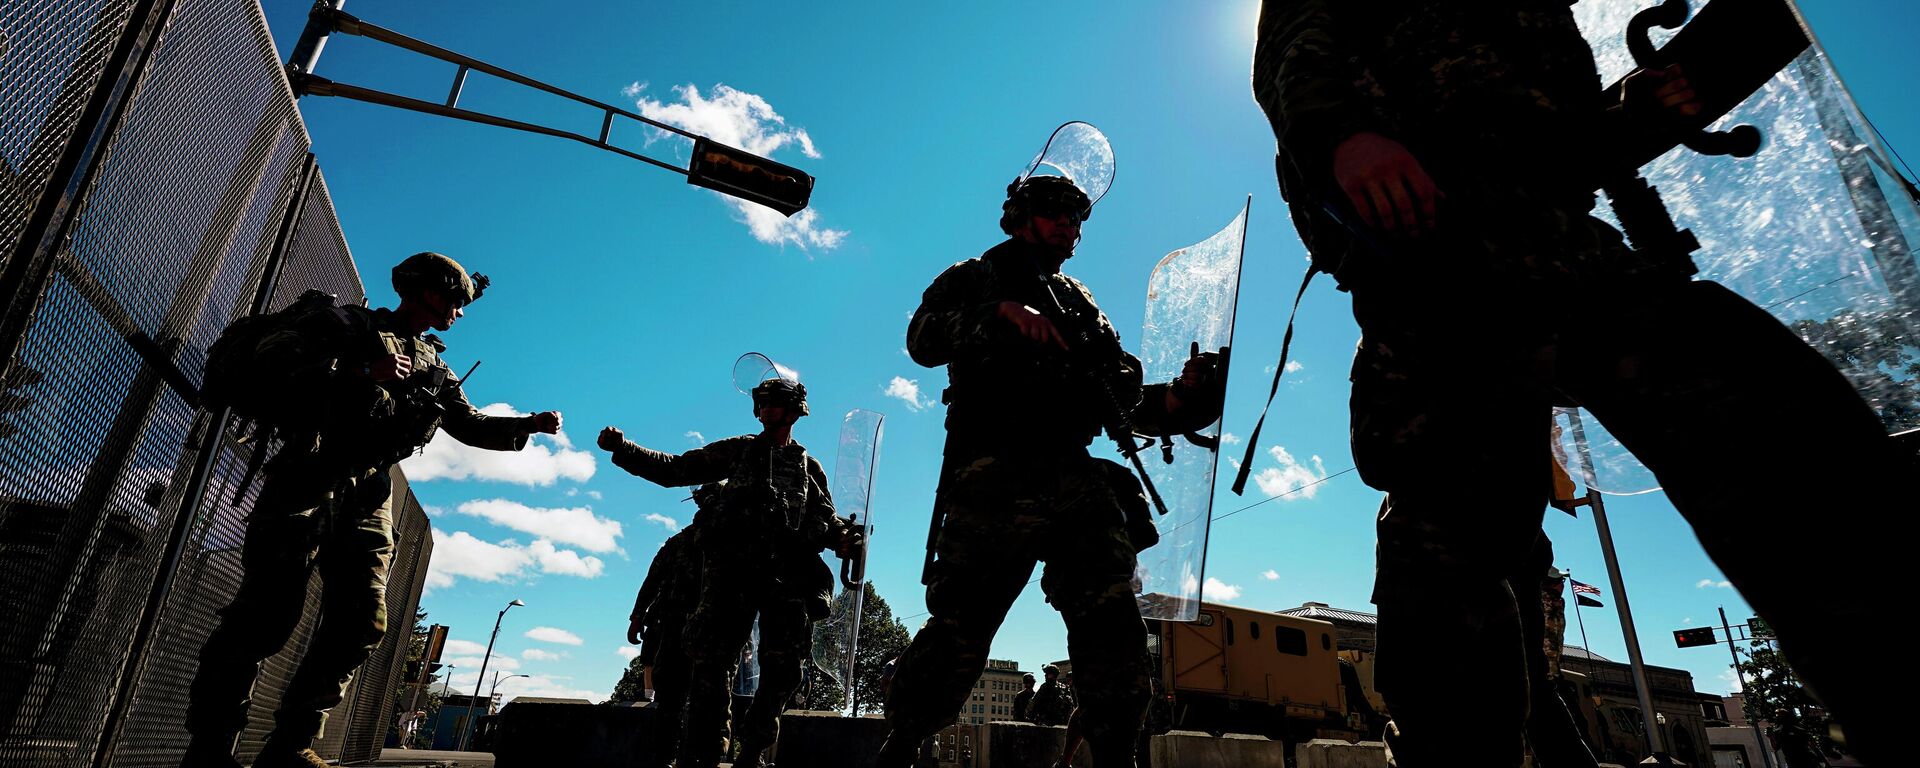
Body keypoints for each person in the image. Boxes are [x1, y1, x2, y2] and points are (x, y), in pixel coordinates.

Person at [1252, 4, 1906, 765]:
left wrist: (1636, 111)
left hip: (1564, 244)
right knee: (1454, 542)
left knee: (1779, 425)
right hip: (1432, 259)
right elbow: (1299, 41)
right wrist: (1341, 136)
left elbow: (1553, 132)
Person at [875, 173, 1225, 768]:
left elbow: (1123, 400)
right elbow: (922, 340)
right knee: (961, 629)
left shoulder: (1082, 302)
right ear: (1019, 216)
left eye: (1078, 217)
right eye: (1056, 213)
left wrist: (1187, 399)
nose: (1070, 226)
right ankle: (902, 745)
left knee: (1113, 625)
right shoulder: (977, 275)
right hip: (995, 474)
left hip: (1076, 480)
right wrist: (999, 313)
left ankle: (1117, 751)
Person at [182, 252, 562, 768]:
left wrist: (527, 424)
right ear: (428, 293)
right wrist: (360, 372)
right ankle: (209, 747)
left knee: (362, 619)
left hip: (368, 495)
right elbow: (273, 366)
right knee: (267, 614)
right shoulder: (347, 325)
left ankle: (290, 746)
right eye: (455, 300)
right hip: (308, 476)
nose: (460, 312)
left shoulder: (433, 364)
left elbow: (467, 424)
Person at [598, 378, 861, 768]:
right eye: (763, 403)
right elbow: (676, 469)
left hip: (787, 577)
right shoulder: (739, 451)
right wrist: (624, 449)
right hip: (733, 574)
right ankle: (703, 756)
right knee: (712, 665)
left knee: (783, 671)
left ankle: (752, 753)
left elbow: (824, 518)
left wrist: (844, 538)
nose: (767, 409)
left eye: (776, 403)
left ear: (794, 410)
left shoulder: (808, 467)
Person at [627, 486, 718, 768]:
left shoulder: (728, 542)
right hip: (677, 627)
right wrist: (637, 616)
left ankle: (687, 757)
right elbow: (652, 580)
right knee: (675, 698)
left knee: (698, 699)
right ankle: (669, 757)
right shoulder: (680, 543)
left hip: (707, 630)